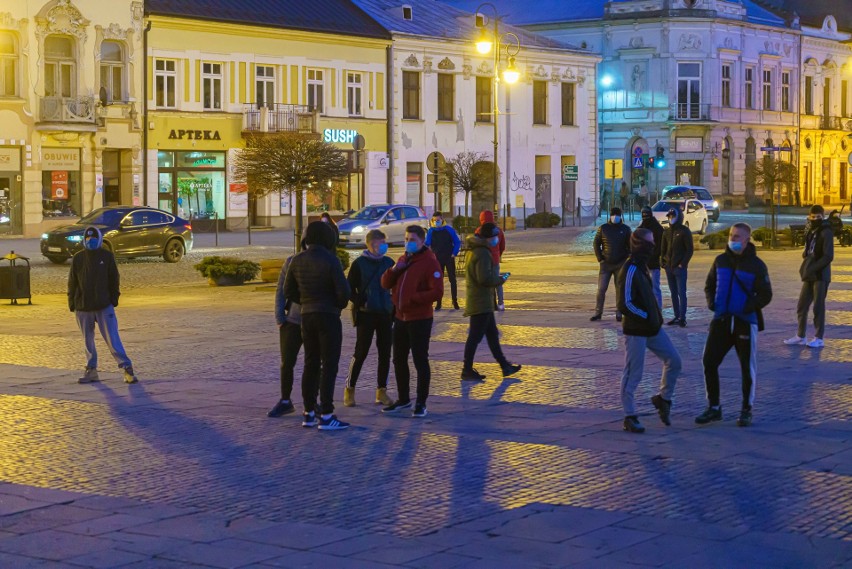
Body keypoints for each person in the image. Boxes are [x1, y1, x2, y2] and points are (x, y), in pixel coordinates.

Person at [696, 223, 772, 427]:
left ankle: (746, 409)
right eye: (731, 235)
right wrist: (712, 303)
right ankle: (714, 407)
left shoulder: (756, 265)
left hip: (744, 322)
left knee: (747, 367)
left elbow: (766, 294)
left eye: (737, 237)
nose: (733, 239)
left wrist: (747, 306)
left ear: (747, 240)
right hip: (721, 320)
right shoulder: (720, 261)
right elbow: (709, 285)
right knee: (709, 362)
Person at [284, 221, 351, 430]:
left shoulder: (297, 259)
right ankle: (327, 414)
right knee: (329, 365)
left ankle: (309, 411)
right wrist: (337, 304)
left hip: (307, 315)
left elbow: (289, 291)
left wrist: (304, 301)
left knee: (310, 363)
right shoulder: (331, 260)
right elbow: (344, 292)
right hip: (328, 315)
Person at [617, 228, 681, 433]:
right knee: (633, 373)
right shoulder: (629, 269)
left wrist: (655, 317)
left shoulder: (643, 266)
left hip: (652, 328)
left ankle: (664, 399)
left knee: (674, 360)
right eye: (650, 242)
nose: (653, 246)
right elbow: (624, 303)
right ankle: (629, 415)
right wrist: (646, 317)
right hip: (636, 330)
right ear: (639, 244)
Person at [380, 225, 444, 417]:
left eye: (412, 240)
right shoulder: (403, 259)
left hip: (419, 319)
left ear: (422, 241)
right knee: (398, 359)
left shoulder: (430, 262)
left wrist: (413, 299)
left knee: (420, 360)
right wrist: (394, 269)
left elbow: (437, 291)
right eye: (407, 239)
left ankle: (421, 402)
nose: (408, 242)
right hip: (400, 317)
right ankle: (404, 398)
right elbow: (385, 283)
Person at [67, 226, 138, 384]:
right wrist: (72, 302)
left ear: (99, 239)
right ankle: (91, 370)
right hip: (83, 306)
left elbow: (114, 278)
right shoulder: (78, 258)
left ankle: (126, 368)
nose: (90, 240)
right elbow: (72, 282)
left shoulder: (106, 256)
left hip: (104, 305)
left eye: (93, 238)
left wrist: (114, 298)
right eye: (87, 238)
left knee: (112, 338)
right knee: (88, 340)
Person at [461, 222, 522, 381]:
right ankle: (467, 369)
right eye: (494, 237)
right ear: (487, 238)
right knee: (475, 337)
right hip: (480, 302)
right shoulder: (482, 252)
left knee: (492, 335)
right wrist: (500, 279)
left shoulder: (474, 249)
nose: (496, 239)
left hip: (482, 301)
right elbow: (484, 279)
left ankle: (505, 366)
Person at [344, 229, 395, 407]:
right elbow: (348, 288)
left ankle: (382, 391)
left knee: (385, 353)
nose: (385, 246)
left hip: (386, 313)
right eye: (382, 242)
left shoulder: (389, 262)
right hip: (366, 314)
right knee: (361, 352)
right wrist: (358, 299)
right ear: (372, 244)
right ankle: (349, 389)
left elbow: (396, 287)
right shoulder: (359, 264)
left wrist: (394, 308)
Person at [784, 205, 834, 348]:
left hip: (820, 275)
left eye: (818, 217)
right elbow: (808, 250)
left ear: (822, 217)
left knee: (818, 307)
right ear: (809, 217)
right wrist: (806, 255)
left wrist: (813, 267)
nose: (815, 220)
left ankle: (819, 337)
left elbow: (828, 256)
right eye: (813, 217)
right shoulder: (811, 231)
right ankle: (801, 335)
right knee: (802, 306)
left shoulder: (826, 232)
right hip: (809, 274)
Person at [268, 245, 304, 418]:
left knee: (315, 363)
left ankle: (313, 402)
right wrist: (280, 316)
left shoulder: (326, 260)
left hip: (315, 320)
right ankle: (285, 400)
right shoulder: (291, 261)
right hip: (293, 320)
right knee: (287, 362)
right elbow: (281, 289)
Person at [591, 207, 631, 322]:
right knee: (601, 289)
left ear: (620, 216)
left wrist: (627, 258)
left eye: (617, 215)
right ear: (610, 216)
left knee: (620, 289)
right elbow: (596, 243)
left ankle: (619, 313)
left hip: (620, 264)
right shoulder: (603, 228)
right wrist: (600, 258)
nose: (615, 217)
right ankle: (598, 312)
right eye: (613, 215)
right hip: (606, 265)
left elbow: (631, 245)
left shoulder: (625, 229)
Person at [660, 207, 693, 327]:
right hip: (669, 267)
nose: (671, 219)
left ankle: (682, 317)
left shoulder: (684, 231)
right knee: (673, 293)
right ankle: (676, 315)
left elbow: (689, 250)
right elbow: (663, 249)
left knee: (681, 292)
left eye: (673, 216)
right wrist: (662, 262)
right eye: (669, 217)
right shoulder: (666, 232)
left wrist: (682, 264)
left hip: (679, 268)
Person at [425, 212, 461, 310]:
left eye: (438, 220)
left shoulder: (449, 230)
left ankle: (455, 301)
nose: (437, 222)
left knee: (452, 279)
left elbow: (457, 242)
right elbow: (427, 243)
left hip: (449, 257)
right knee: (438, 281)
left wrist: (454, 253)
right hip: (437, 259)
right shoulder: (431, 231)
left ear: (442, 219)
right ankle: (439, 302)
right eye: (435, 220)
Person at [476, 210, 506, 310]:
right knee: (497, 281)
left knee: (485, 282)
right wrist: (498, 254)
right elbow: (502, 246)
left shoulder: (479, 231)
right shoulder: (498, 231)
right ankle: (501, 303)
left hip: (484, 261)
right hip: (495, 260)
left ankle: (487, 303)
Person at [638, 206, 664, 308]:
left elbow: (660, 245)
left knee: (655, 288)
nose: (645, 217)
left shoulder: (657, 228)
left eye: (646, 215)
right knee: (644, 288)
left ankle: (658, 309)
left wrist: (653, 256)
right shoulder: (642, 227)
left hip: (653, 262)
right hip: (644, 263)